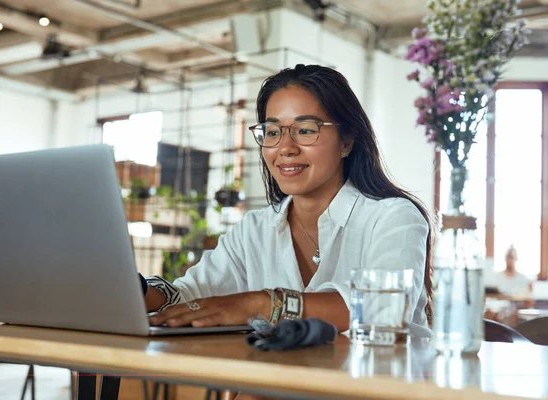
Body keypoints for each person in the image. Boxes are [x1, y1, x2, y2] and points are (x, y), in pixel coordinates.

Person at [142, 64, 434, 340]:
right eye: (272, 132)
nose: (285, 148)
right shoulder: (254, 230)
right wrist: (134, 288)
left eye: (305, 130)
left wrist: (263, 304)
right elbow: (191, 299)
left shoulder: (393, 217)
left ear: (346, 141)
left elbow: (385, 311)